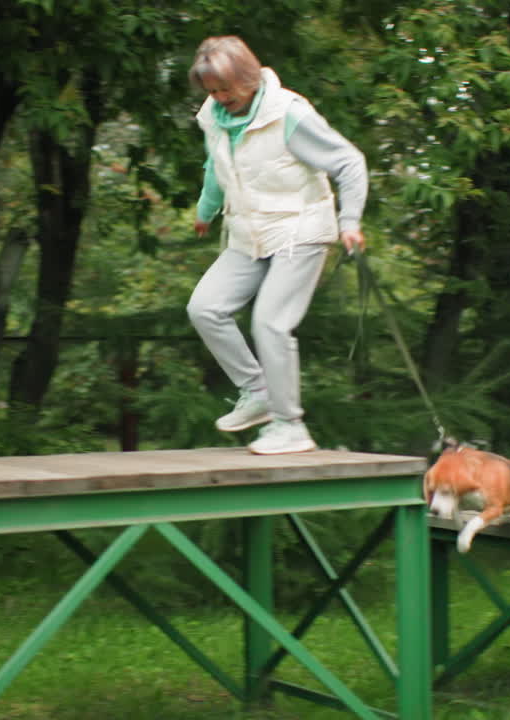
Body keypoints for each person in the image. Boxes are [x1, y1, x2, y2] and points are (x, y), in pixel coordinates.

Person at [186, 35, 368, 455]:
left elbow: (349, 162)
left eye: (224, 89)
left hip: (299, 231)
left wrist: (350, 220)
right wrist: (205, 212)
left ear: (248, 78)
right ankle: (259, 393)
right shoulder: (215, 117)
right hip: (249, 233)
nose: (218, 97)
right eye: (211, 90)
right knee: (205, 307)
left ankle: (290, 427)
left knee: (270, 322)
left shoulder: (288, 114)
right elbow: (217, 167)